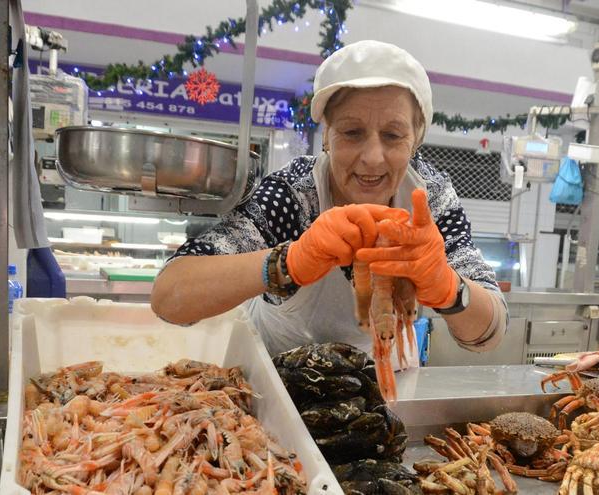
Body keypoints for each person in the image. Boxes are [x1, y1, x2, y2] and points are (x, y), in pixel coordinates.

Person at [152, 40, 507, 357]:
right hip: (278, 389)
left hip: (381, 391)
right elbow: (169, 297)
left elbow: (488, 334)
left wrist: (449, 288)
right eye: (352, 132)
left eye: (393, 135)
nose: (372, 157)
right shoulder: (293, 194)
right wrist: (287, 261)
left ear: (415, 139)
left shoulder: (430, 199)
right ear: (326, 136)